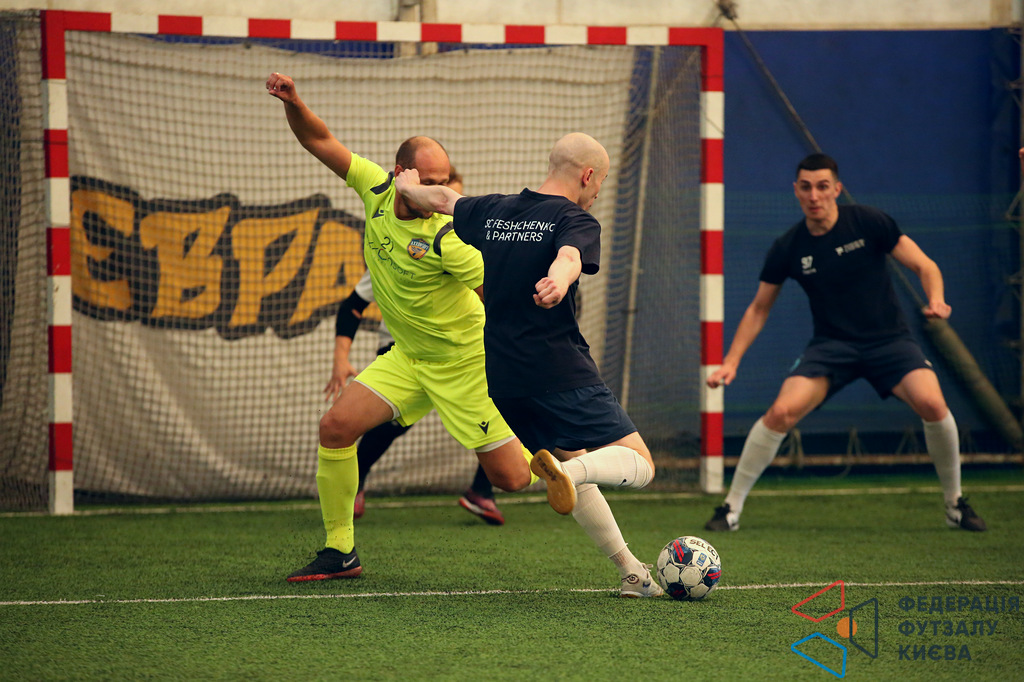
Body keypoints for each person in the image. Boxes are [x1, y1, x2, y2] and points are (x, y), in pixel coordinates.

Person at [266, 72, 567, 582]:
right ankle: (341, 551)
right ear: (401, 174)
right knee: (335, 427)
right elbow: (319, 140)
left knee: (513, 480)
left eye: (444, 183)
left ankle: (562, 456)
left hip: (465, 364)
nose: (439, 192)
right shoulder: (375, 188)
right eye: (429, 183)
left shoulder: (449, 237)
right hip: (409, 358)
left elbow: (501, 296)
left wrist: (534, 343)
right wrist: (294, 102)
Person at [395, 132, 664, 598]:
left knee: (573, 459)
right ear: (587, 175)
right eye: (600, 181)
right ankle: (566, 475)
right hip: (558, 369)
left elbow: (443, 200)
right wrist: (558, 281)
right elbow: (569, 256)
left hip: (504, 377)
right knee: (640, 464)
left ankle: (631, 573)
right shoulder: (574, 218)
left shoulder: (495, 210)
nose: (598, 191)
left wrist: (407, 187)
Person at [703, 153, 986, 533]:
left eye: (822, 187)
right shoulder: (788, 247)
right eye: (806, 187)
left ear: (837, 189)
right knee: (781, 412)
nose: (814, 195)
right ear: (796, 190)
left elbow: (925, 265)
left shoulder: (868, 222)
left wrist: (936, 299)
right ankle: (730, 508)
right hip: (831, 347)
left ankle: (955, 504)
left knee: (933, 404)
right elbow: (758, 308)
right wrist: (731, 361)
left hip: (890, 342)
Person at [328, 177, 505, 527]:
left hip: (461, 355)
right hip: (404, 349)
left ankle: (483, 490)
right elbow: (352, 305)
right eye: (439, 198)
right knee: (385, 424)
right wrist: (340, 358)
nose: (444, 208)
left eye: (452, 201)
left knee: (505, 406)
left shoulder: (462, 245)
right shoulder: (400, 245)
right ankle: (353, 488)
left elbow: (496, 296)